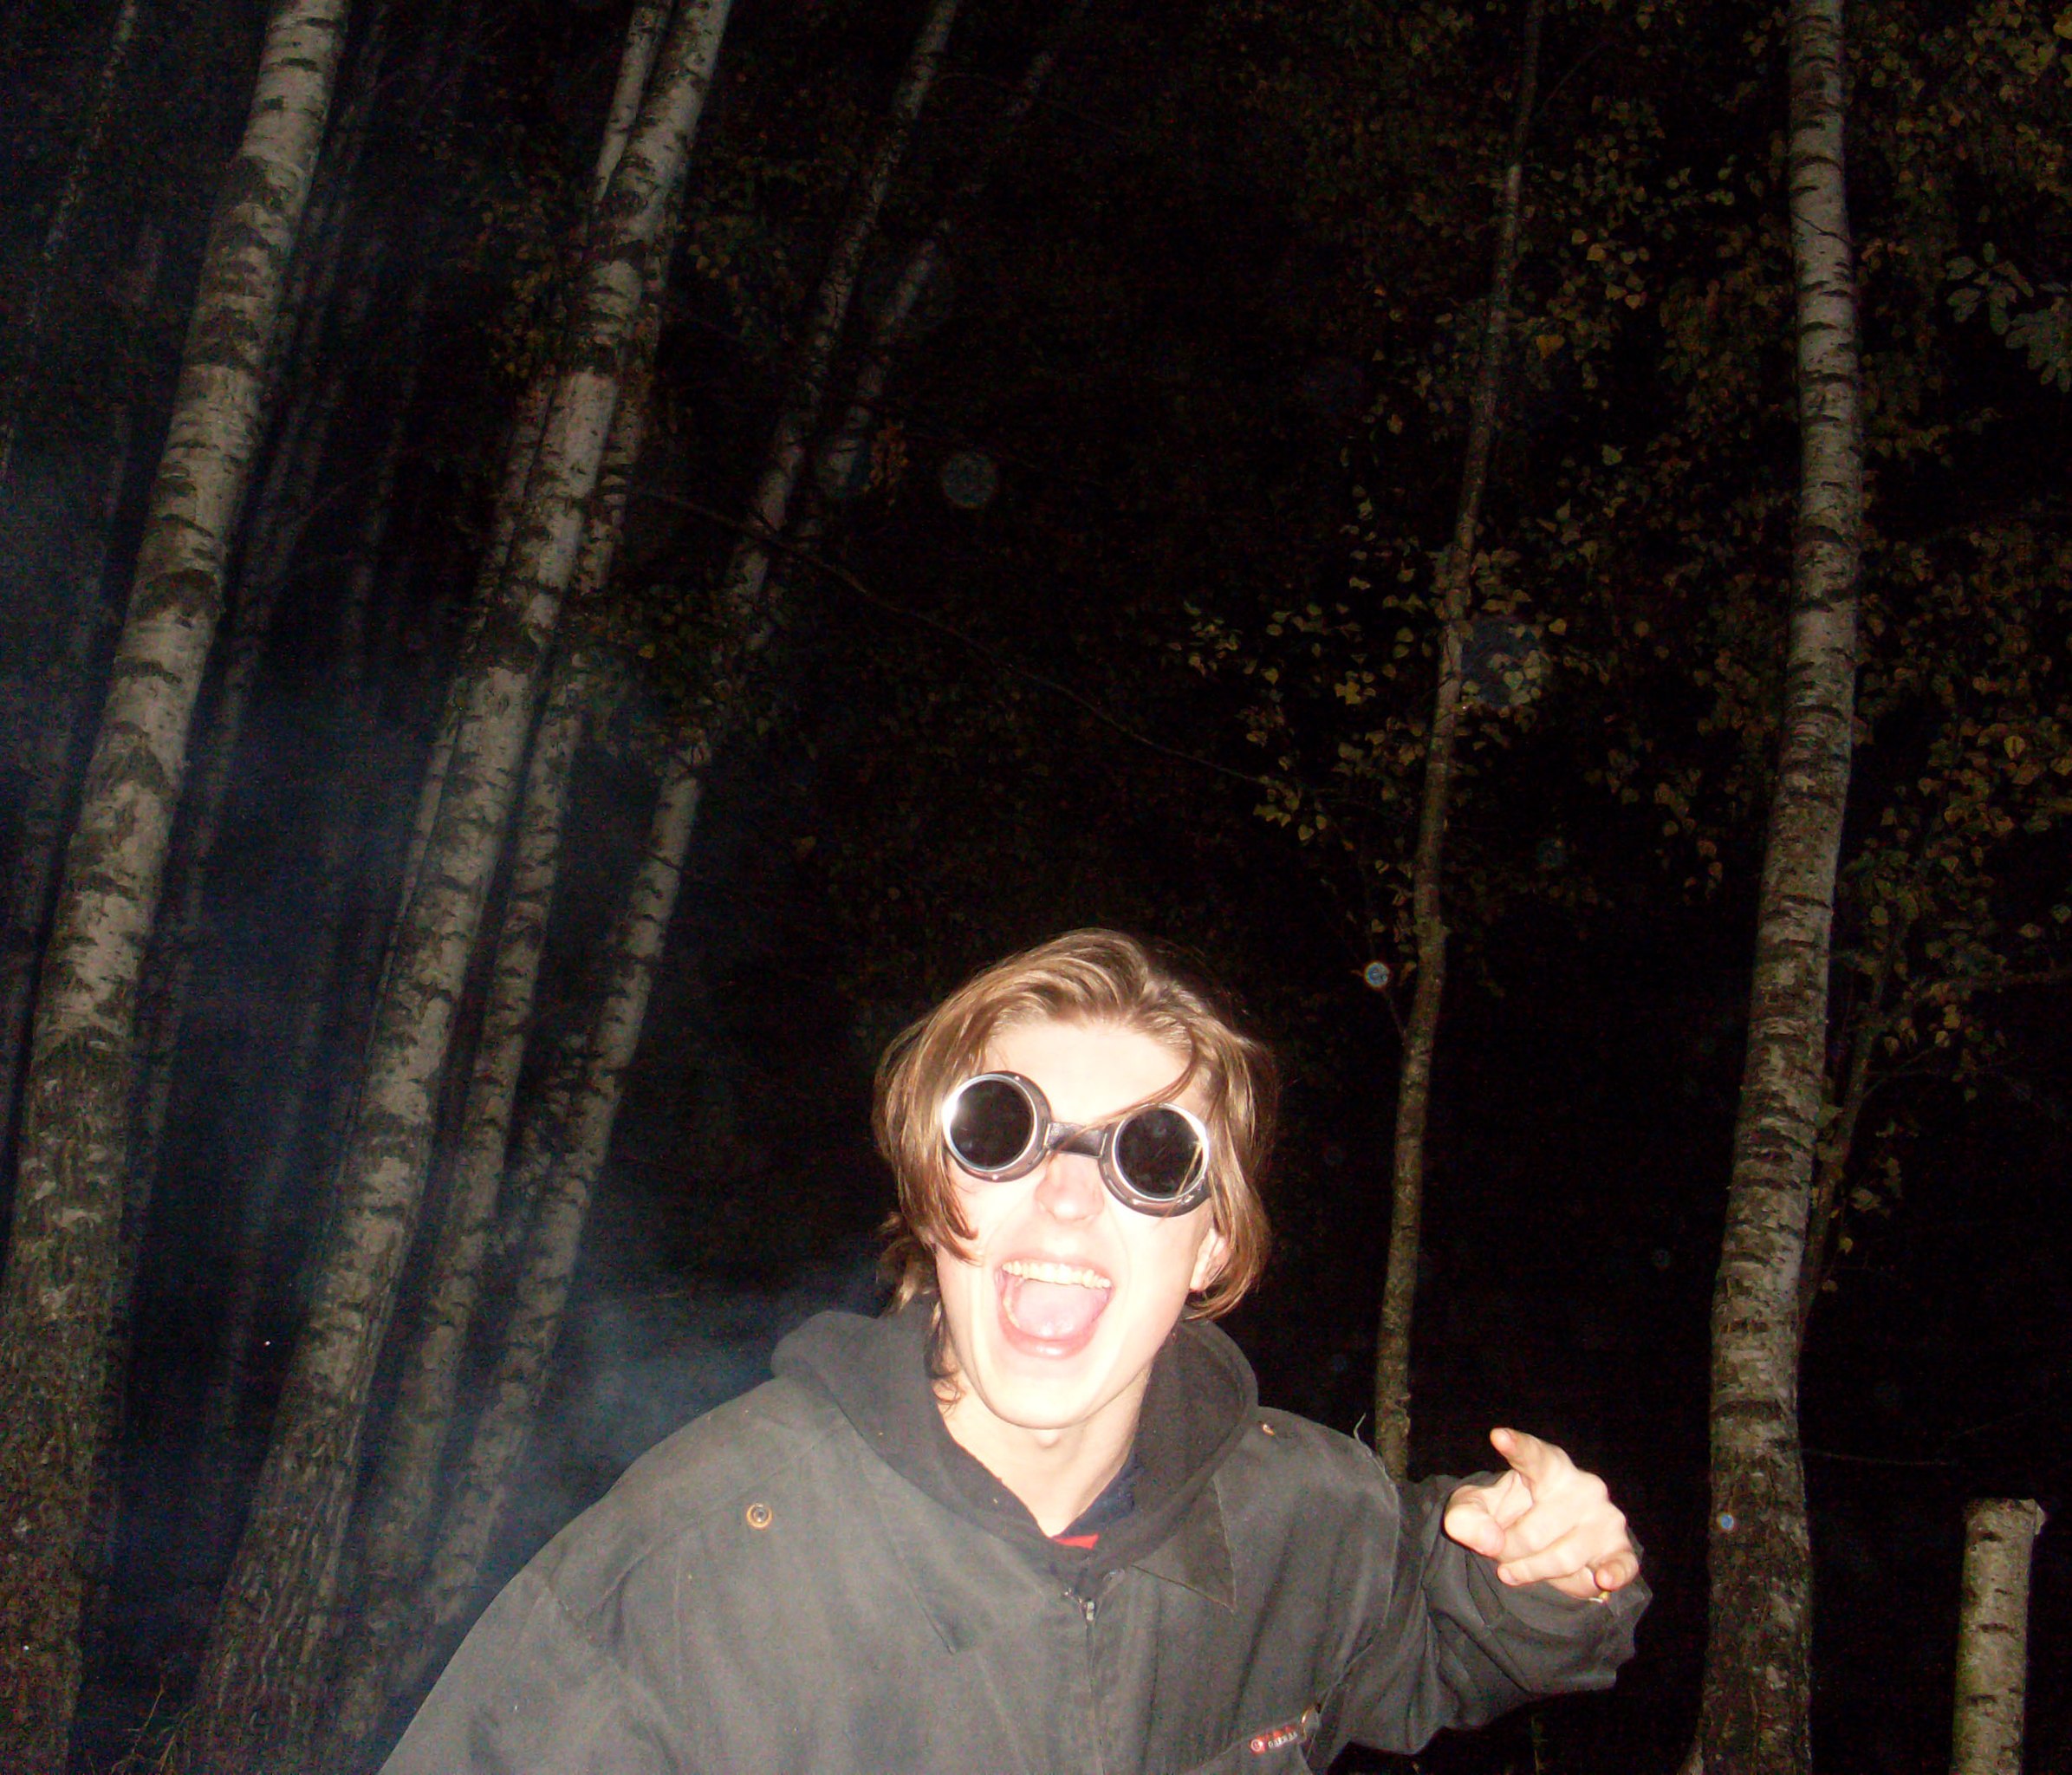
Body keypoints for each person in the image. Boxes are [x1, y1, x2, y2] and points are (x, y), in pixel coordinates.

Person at [381, 929, 1645, 1773]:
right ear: (937, 1189)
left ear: (1214, 1240)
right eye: (1003, 1133)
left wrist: (1543, 1577)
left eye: (1154, 1157)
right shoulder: (689, 1576)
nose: (1067, 1199)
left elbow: (1439, 1628)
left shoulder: (1301, 1516)